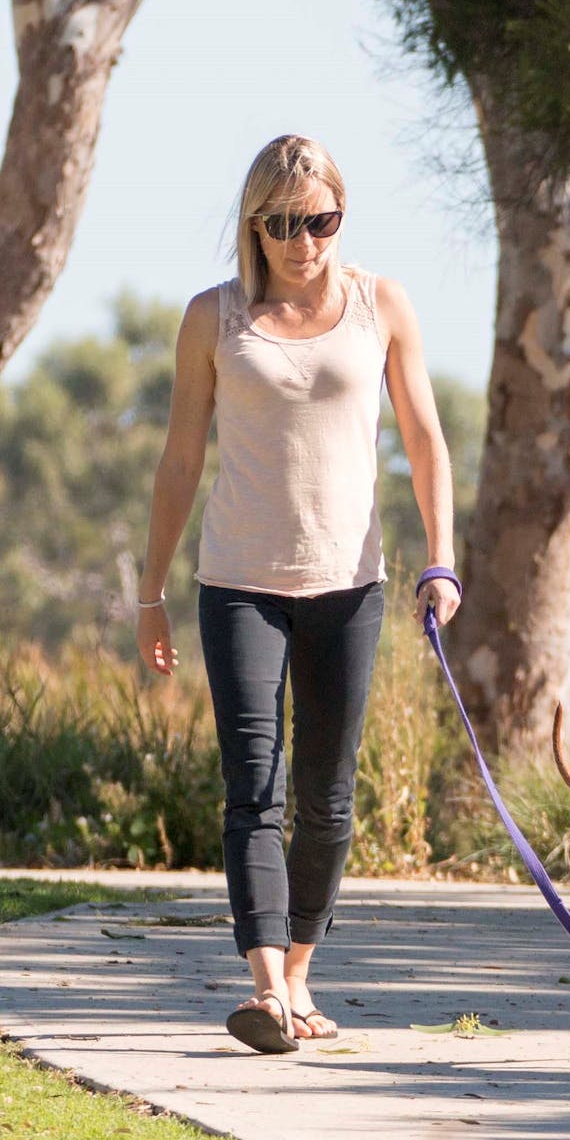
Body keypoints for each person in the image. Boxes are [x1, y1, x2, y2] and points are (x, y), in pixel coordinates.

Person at [133, 133, 461, 1053]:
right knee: (254, 786)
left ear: (339, 217)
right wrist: (150, 594)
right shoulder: (215, 317)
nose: (301, 239)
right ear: (255, 225)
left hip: (350, 584)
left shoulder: (381, 305)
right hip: (238, 581)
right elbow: (180, 461)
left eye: (318, 220)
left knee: (325, 796)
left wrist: (443, 560)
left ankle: (303, 975)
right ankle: (267, 989)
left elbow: (426, 439)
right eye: (280, 222)